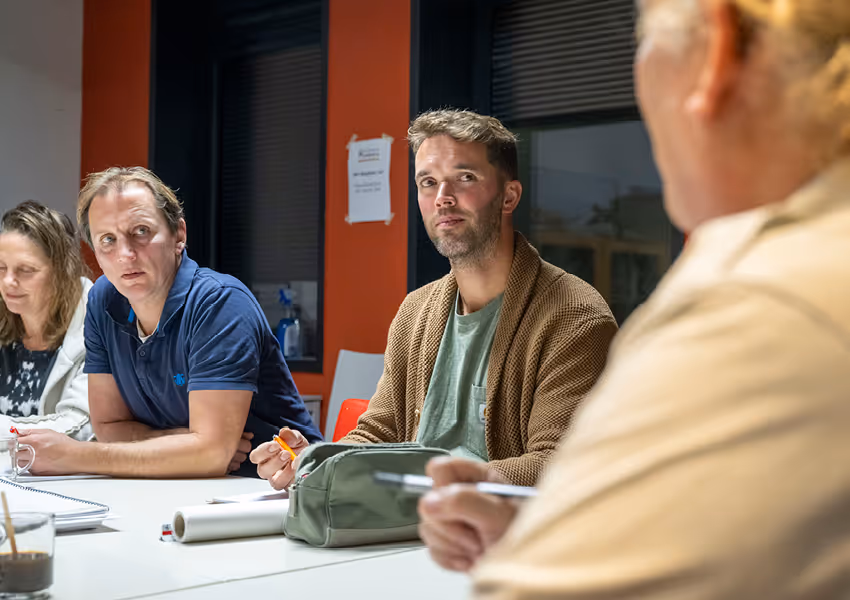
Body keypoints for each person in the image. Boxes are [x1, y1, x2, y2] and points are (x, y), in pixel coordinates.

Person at [419, 0, 850, 596]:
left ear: (714, 50)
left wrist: (552, 551)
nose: (443, 197)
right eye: (428, 181)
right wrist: (551, 533)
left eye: (638, 39)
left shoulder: (752, 306)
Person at [253, 109, 617, 490]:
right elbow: (378, 435)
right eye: (428, 182)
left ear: (509, 196)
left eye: (464, 178)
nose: (443, 198)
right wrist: (313, 460)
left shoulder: (576, 317)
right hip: (402, 530)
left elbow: (558, 465)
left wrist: (422, 482)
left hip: (498, 537)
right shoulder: (415, 311)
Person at [19, 167, 321, 478]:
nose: (125, 254)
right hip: (173, 484)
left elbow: (211, 455)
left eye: (141, 232)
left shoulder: (219, 303)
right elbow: (109, 428)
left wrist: (75, 455)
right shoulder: (103, 300)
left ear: (179, 235)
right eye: (107, 239)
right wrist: (182, 444)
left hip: (274, 486)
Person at [0, 201, 93, 441]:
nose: (8, 281)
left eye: (26, 270)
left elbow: (79, 427)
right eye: (1, 268)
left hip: (59, 477)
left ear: (62, 272)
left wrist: (6, 432)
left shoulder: (96, 325)